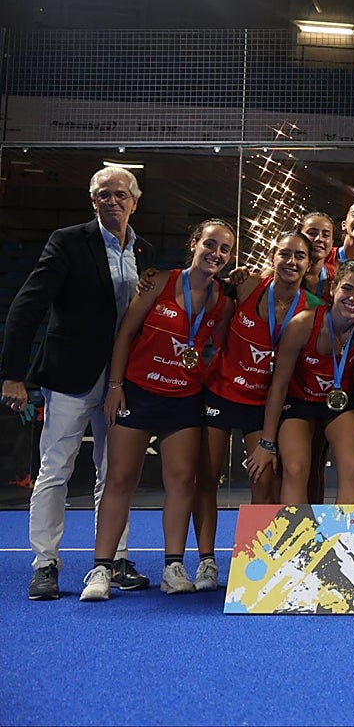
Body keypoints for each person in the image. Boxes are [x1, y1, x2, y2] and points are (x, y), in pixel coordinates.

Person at [2, 166, 155, 600]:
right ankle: (45, 563)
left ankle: (115, 559)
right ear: (93, 202)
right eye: (103, 194)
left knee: (116, 472)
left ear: (134, 201)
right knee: (55, 470)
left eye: (120, 194)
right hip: (71, 377)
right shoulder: (67, 241)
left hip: (122, 380)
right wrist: (13, 374)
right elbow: (28, 304)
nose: (112, 201)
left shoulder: (143, 250)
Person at [81, 219, 234, 601]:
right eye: (210, 245)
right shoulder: (160, 282)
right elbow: (126, 334)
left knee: (181, 482)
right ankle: (100, 569)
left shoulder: (222, 302)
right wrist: (115, 387)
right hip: (138, 393)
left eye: (225, 250)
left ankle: (172, 566)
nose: (216, 254)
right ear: (194, 244)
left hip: (184, 400)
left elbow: (218, 346)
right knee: (120, 479)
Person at [201, 232, 322, 535]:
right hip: (222, 392)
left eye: (299, 256)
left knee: (264, 480)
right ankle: (206, 561)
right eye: (284, 254)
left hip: (264, 405)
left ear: (308, 265)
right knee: (204, 478)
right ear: (272, 257)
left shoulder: (315, 308)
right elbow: (209, 292)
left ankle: (262, 564)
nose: (291, 261)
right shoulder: (247, 285)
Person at [249, 260, 354, 506]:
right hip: (298, 403)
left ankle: (344, 539)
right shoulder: (302, 324)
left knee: (353, 467)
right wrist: (266, 442)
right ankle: (296, 541)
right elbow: (279, 385)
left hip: (340, 405)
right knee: (295, 467)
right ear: (333, 289)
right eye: (347, 289)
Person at [299, 210, 337, 301]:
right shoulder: (284, 269)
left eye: (326, 235)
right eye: (312, 233)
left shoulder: (337, 277)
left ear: (332, 242)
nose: (319, 239)